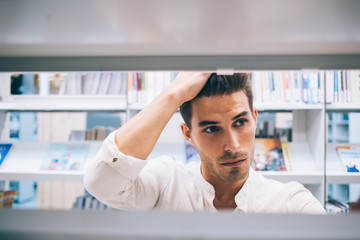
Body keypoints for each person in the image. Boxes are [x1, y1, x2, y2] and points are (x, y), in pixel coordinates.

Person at [83, 72, 325, 213]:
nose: (232, 145)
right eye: (211, 129)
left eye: (240, 122)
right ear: (187, 134)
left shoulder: (290, 201)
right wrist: (174, 93)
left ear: (255, 118)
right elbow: (101, 183)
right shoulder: (166, 182)